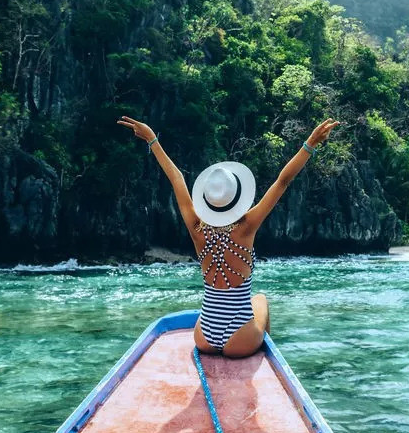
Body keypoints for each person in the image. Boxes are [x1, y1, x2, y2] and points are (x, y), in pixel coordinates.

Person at [117, 116, 340, 357]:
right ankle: (266, 359)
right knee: (261, 299)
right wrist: (310, 144)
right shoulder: (246, 227)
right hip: (240, 339)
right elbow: (283, 181)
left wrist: (152, 139)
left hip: (204, 336)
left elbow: (176, 178)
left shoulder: (196, 227)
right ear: (237, 199)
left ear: (207, 201)